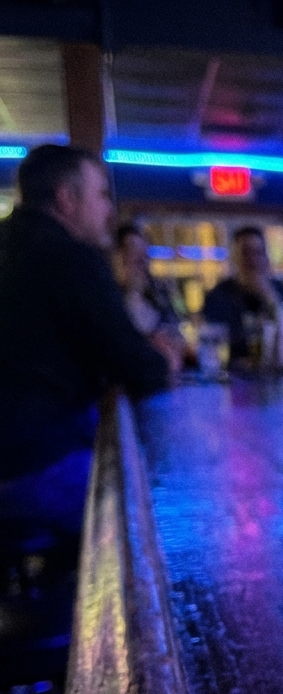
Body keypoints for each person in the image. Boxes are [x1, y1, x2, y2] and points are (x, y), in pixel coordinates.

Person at [0, 144, 172, 531]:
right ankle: (76, 590)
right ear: (66, 198)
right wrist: (165, 359)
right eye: (100, 195)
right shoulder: (69, 256)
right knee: (152, 511)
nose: (108, 210)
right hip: (31, 466)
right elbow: (137, 367)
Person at [202, 226, 283, 367]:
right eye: (246, 252)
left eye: (258, 252)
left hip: (279, 374)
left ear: (266, 256)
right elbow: (214, 341)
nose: (253, 259)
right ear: (234, 257)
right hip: (232, 379)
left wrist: (270, 299)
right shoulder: (217, 296)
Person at [113, 223, 184, 341]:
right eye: (133, 252)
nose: (142, 261)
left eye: (145, 254)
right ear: (117, 257)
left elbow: (177, 336)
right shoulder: (107, 299)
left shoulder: (159, 298)